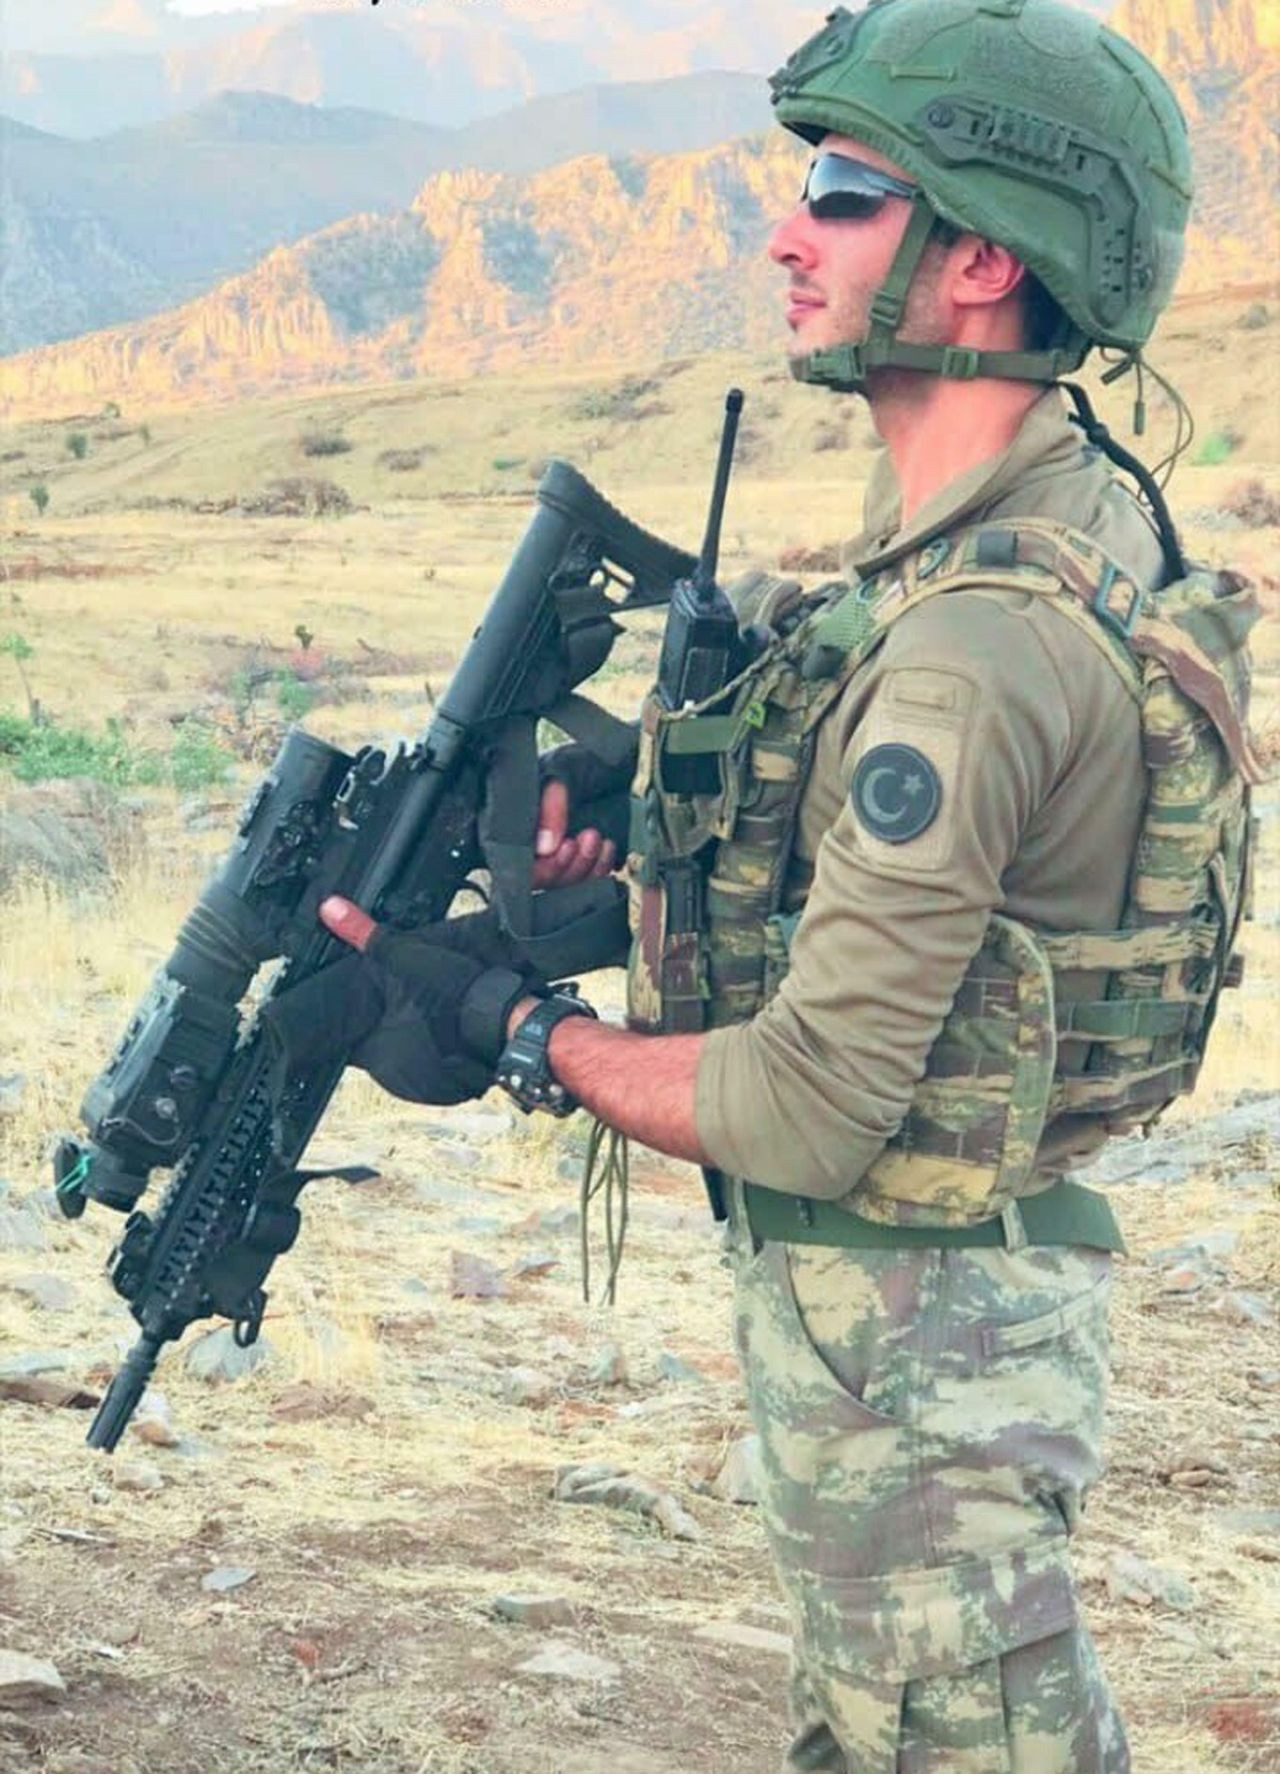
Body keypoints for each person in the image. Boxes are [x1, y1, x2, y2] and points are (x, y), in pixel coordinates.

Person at [272, 4, 1259, 1768]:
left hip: (926, 1365)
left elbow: (809, 1103)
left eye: (847, 194)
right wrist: (629, 843)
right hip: (912, 1337)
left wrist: (518, 1025)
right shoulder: (1004, 541)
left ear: (982, 260)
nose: (789, 235)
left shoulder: (969, 651)